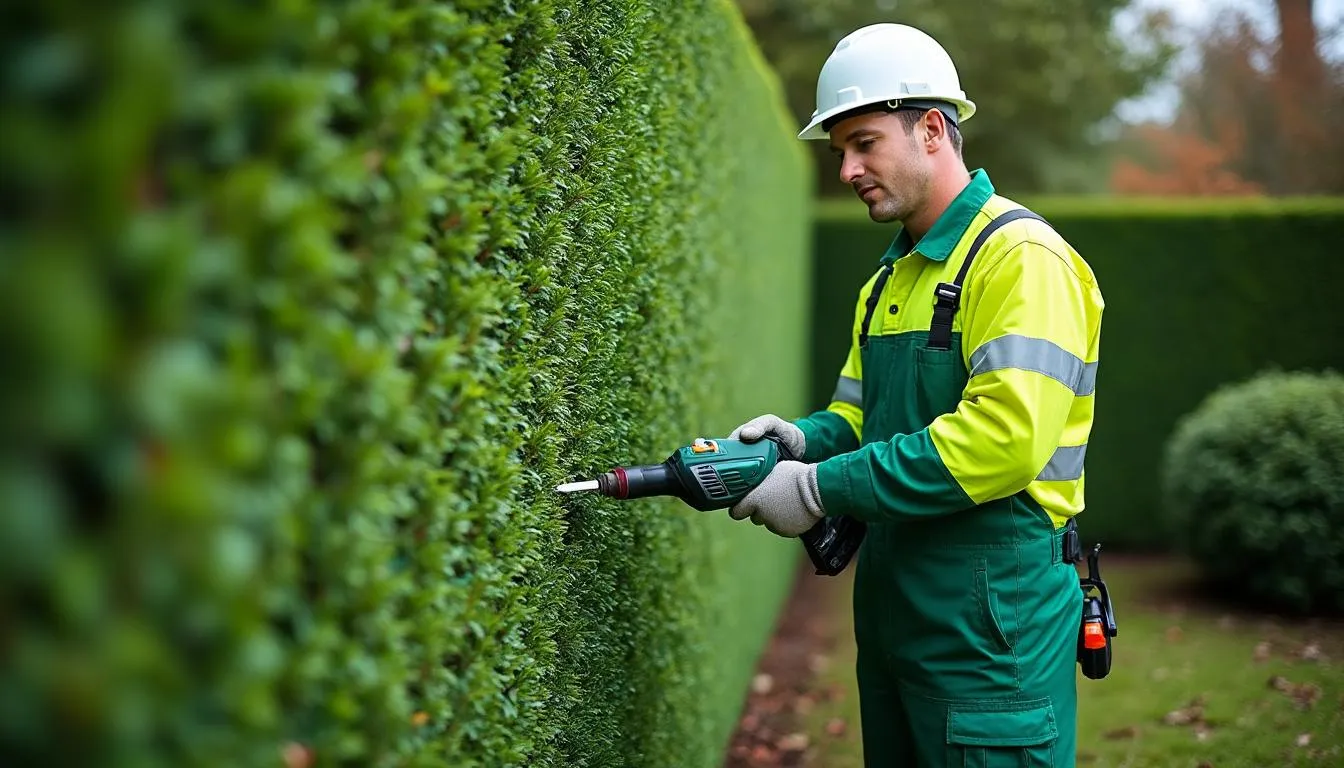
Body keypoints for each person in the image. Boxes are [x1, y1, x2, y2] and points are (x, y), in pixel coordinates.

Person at [725, 22, 1104, 768]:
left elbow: (1003, 442)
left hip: (996, 630)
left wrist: (815, 486)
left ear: (932, 129)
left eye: (864, 143)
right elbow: (857, 418)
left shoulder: (1021, 260)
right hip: (897, 618)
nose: (846, 170)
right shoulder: (889, 281)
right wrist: (800, 442)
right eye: (840, 152)